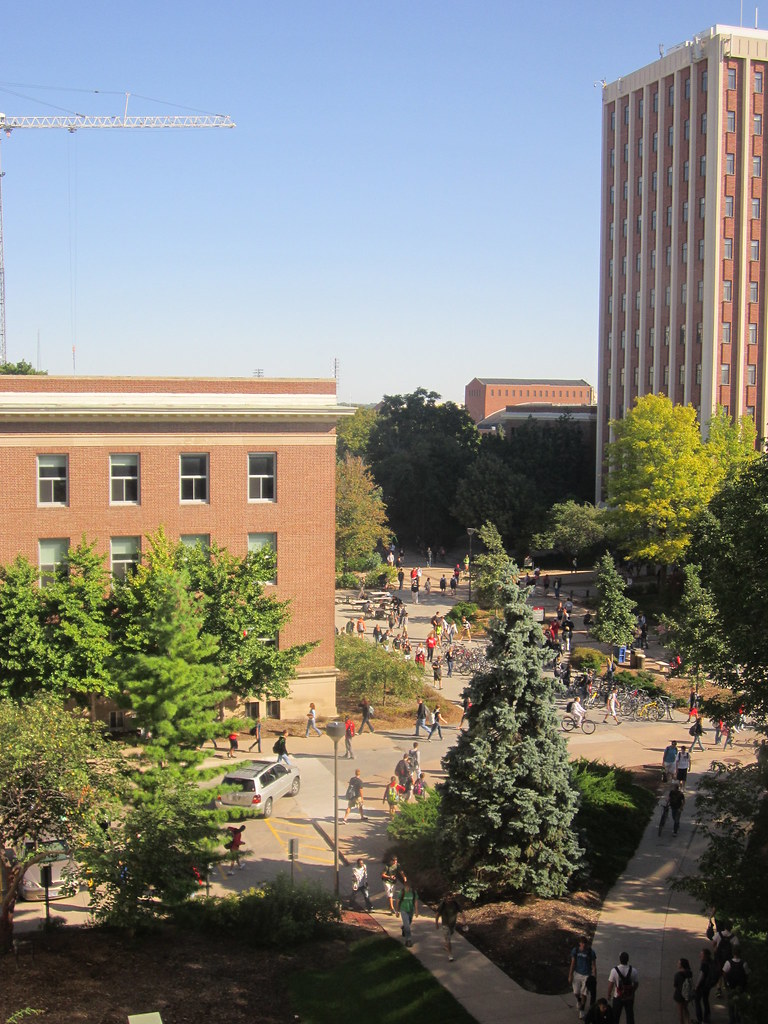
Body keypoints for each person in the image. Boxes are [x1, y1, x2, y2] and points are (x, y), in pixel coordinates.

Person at [721, 939, 749, 1024]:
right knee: (739, 1005)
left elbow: (724, 973)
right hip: (740, 986)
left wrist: (725, 983)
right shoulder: (744, 963)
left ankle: (732, 1021)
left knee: (731, 1006)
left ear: (733, 953)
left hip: (730, 986)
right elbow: (747, 974)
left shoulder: (728, 963)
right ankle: (738, 1020)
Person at [569, 935, 597, 1018]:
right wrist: (570, 975)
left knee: (584, 993)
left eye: (585, 943)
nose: (583, 945)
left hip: (586, 975)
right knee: (576, 992)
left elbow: (594, 965)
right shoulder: (576, 951)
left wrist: (594, 976)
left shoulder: (591, 952)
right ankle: (579, 1000)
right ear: (579, 943)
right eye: (582, 943)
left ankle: (582, 1010)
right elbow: (573, 963)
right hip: (577, 973)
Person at [607, 951, 638, 1024]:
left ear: (620, 959)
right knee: (630, 1016)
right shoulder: (633, 970)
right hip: (629, 997)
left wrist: (608, 994)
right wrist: (632, 991)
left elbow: (611, 984)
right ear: (628, 960)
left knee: (615, 1016)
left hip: (618, 996)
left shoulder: (614, 970)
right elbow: (636, 983)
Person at [435, 892, 466, 961]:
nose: (450, 900)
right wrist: (436, 923)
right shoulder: (443, 904)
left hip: (452, 924)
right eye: (449, 898)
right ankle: (450, 955)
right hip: (445, 924)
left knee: (450, 935)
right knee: (448, 940)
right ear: (446, 898)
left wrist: (464, 920)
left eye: (451, 898)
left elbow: (462, 912)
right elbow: (437, 914)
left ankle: (446, 945)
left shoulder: (455, 903)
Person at [694, 947, 716, 1024]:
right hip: (708, 984)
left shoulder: (704, 964)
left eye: (701, 954)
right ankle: (707, 1017)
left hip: (703, 985)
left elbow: (701, 975)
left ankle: (700, 1018)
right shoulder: (711, 962)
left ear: (705, 956)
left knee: (697, 1000)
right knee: (705, 1000)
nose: (700, 955)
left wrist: (696, 985)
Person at [397, 880, 419, 947]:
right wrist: (397, 911)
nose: (407, 889)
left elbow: (415, 901)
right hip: (403, 910)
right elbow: (398, 901)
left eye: (408, 888)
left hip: (410, 910)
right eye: (406, 887)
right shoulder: (402, 892)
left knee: (408, 923)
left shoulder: (413, 892)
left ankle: (403, 928)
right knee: (407, 926)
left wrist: (416, 910)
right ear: (404, 886)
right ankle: (408, 940)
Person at [673, 957, 694, 1024]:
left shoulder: (678, 975)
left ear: (681, 965)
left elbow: (675, 985)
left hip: (679, 995)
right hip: (687, 995)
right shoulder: (689, 973)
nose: (677, 964)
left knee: (680, 1013)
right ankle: (688, 1021)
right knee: (685, 1009)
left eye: (679, 963)